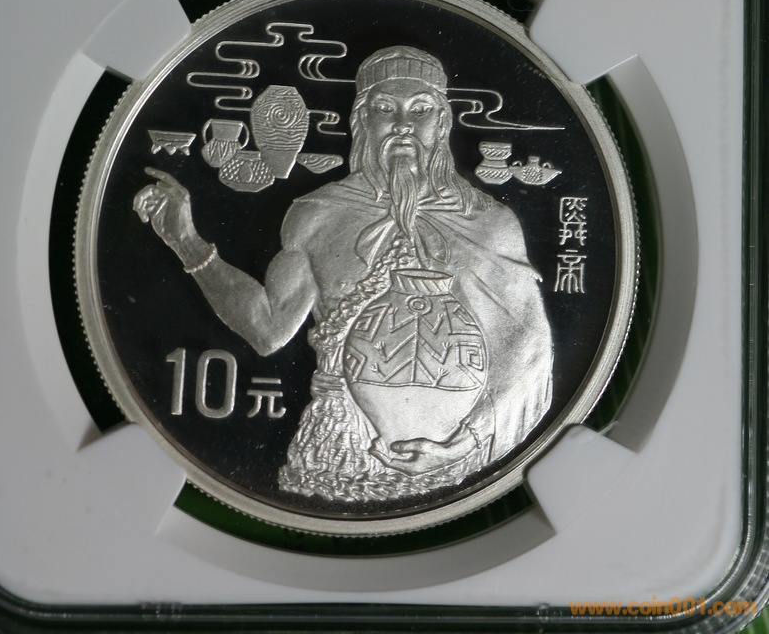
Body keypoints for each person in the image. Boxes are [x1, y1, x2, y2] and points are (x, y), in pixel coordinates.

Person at [134, 46, 553, 504]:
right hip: (339, 453)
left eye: (420, 110)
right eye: (384, 109)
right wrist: (187, 241)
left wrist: (461, 446)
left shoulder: (489, 224)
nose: (403, 125)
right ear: (362, 121)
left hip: (458, 461)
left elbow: (527, 352)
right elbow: (268, 329)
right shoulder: (316, 214)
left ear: (442, 123)